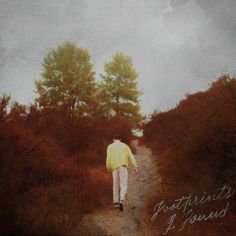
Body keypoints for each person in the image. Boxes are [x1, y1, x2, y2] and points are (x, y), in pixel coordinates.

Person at [106, 134, 138, 211]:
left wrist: (108, 168)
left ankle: (116, 203)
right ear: (120, 139)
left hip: (114, 167)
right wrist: (135, 166)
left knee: (115, 184)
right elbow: (130, 156)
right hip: (123, 166)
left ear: (113, 139)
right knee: (123, 184)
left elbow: (108, 159)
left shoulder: (110, 147)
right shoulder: (125, 146)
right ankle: (121, 200)